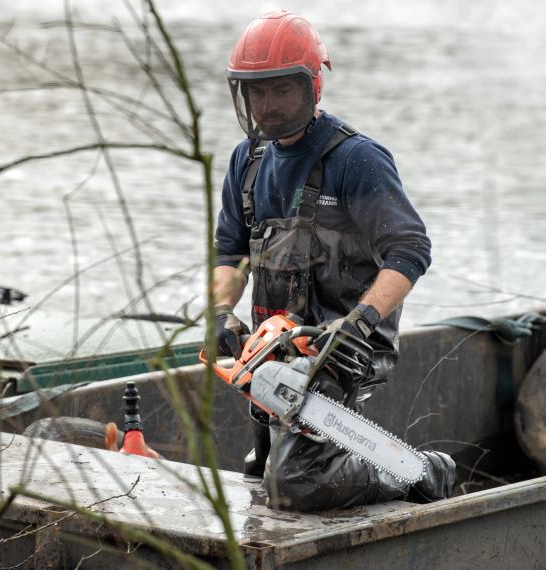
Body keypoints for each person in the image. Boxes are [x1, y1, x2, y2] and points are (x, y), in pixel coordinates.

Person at [211, 10, 455, 511]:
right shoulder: (247, 161)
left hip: (345, 342)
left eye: (281, 90)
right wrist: (219, 312)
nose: (267, 105)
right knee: (262, 472)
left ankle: (419, 469)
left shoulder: (355, 160)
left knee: (293, 481)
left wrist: (358, 322)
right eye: (257, 92)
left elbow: (409, 250)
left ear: (311, 86)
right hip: (272, 342)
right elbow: (229, 251)